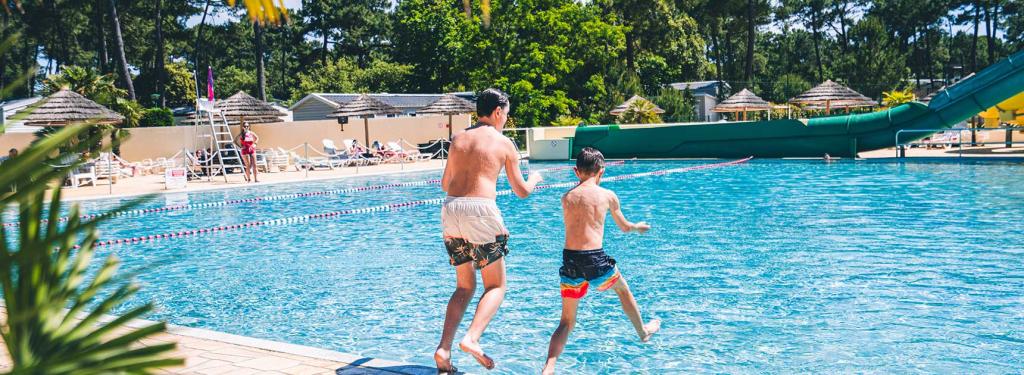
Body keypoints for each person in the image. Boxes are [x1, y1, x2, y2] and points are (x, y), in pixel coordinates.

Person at [435, 88, 543, 372]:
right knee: (495, 285)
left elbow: (446, 183)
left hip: (451, 210)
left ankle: (444, 350)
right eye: (505, 115)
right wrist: (534, 179)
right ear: (497, 112)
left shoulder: (458, 138)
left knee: (464, 286)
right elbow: (521, 191)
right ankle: (472, 338)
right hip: (480, 210)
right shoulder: (504, 142)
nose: (505, 120)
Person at [541, 147, 660, 375]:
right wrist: (638, 227)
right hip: (594, 259)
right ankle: (643, 332)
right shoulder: (607, 195)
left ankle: (549, 367)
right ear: (601, 171)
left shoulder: (566, 197)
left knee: (566, 321)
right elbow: (625, 227)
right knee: (623, 291)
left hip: (570, 261)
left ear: (576, 171)